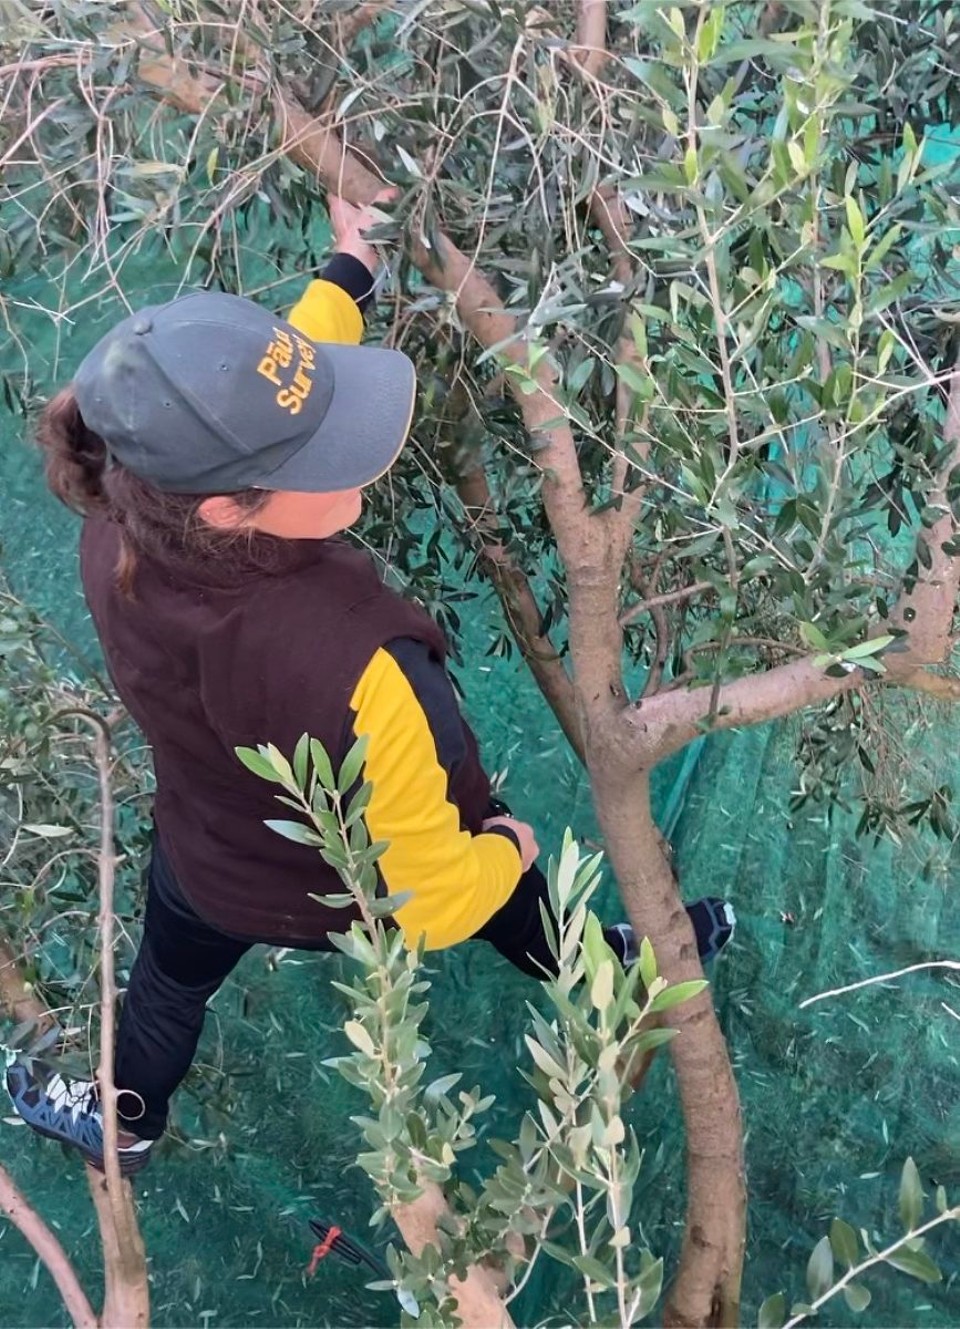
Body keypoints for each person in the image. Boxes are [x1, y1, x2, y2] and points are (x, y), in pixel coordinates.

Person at [6, 196, 735, 1175]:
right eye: (320, 453)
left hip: (210, 850)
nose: (360, 450)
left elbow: (264, 396)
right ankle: (615, 977)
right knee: (495, 861)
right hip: (343, 887)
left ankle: (127, 1118)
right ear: (230, 507)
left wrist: (347, 271)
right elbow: (431, 904)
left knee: (168, 983)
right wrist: (503, 851)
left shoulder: (123, 524)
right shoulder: (366, 668)